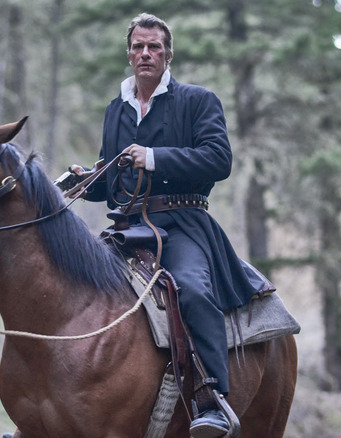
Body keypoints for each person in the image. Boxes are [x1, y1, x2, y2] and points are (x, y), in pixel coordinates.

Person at [69, 13, 271, 437]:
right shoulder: (116, 108)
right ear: (129, 55)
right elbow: (113, 180)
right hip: (126, 227)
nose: (146, 54)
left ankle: (211, 399)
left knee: (194, 291)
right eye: (139, 47)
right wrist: (86, 180)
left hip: (183, 224)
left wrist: (155, 156)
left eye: (154, 47)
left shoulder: (198, 101)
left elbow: (219, 161)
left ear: (168, 55)